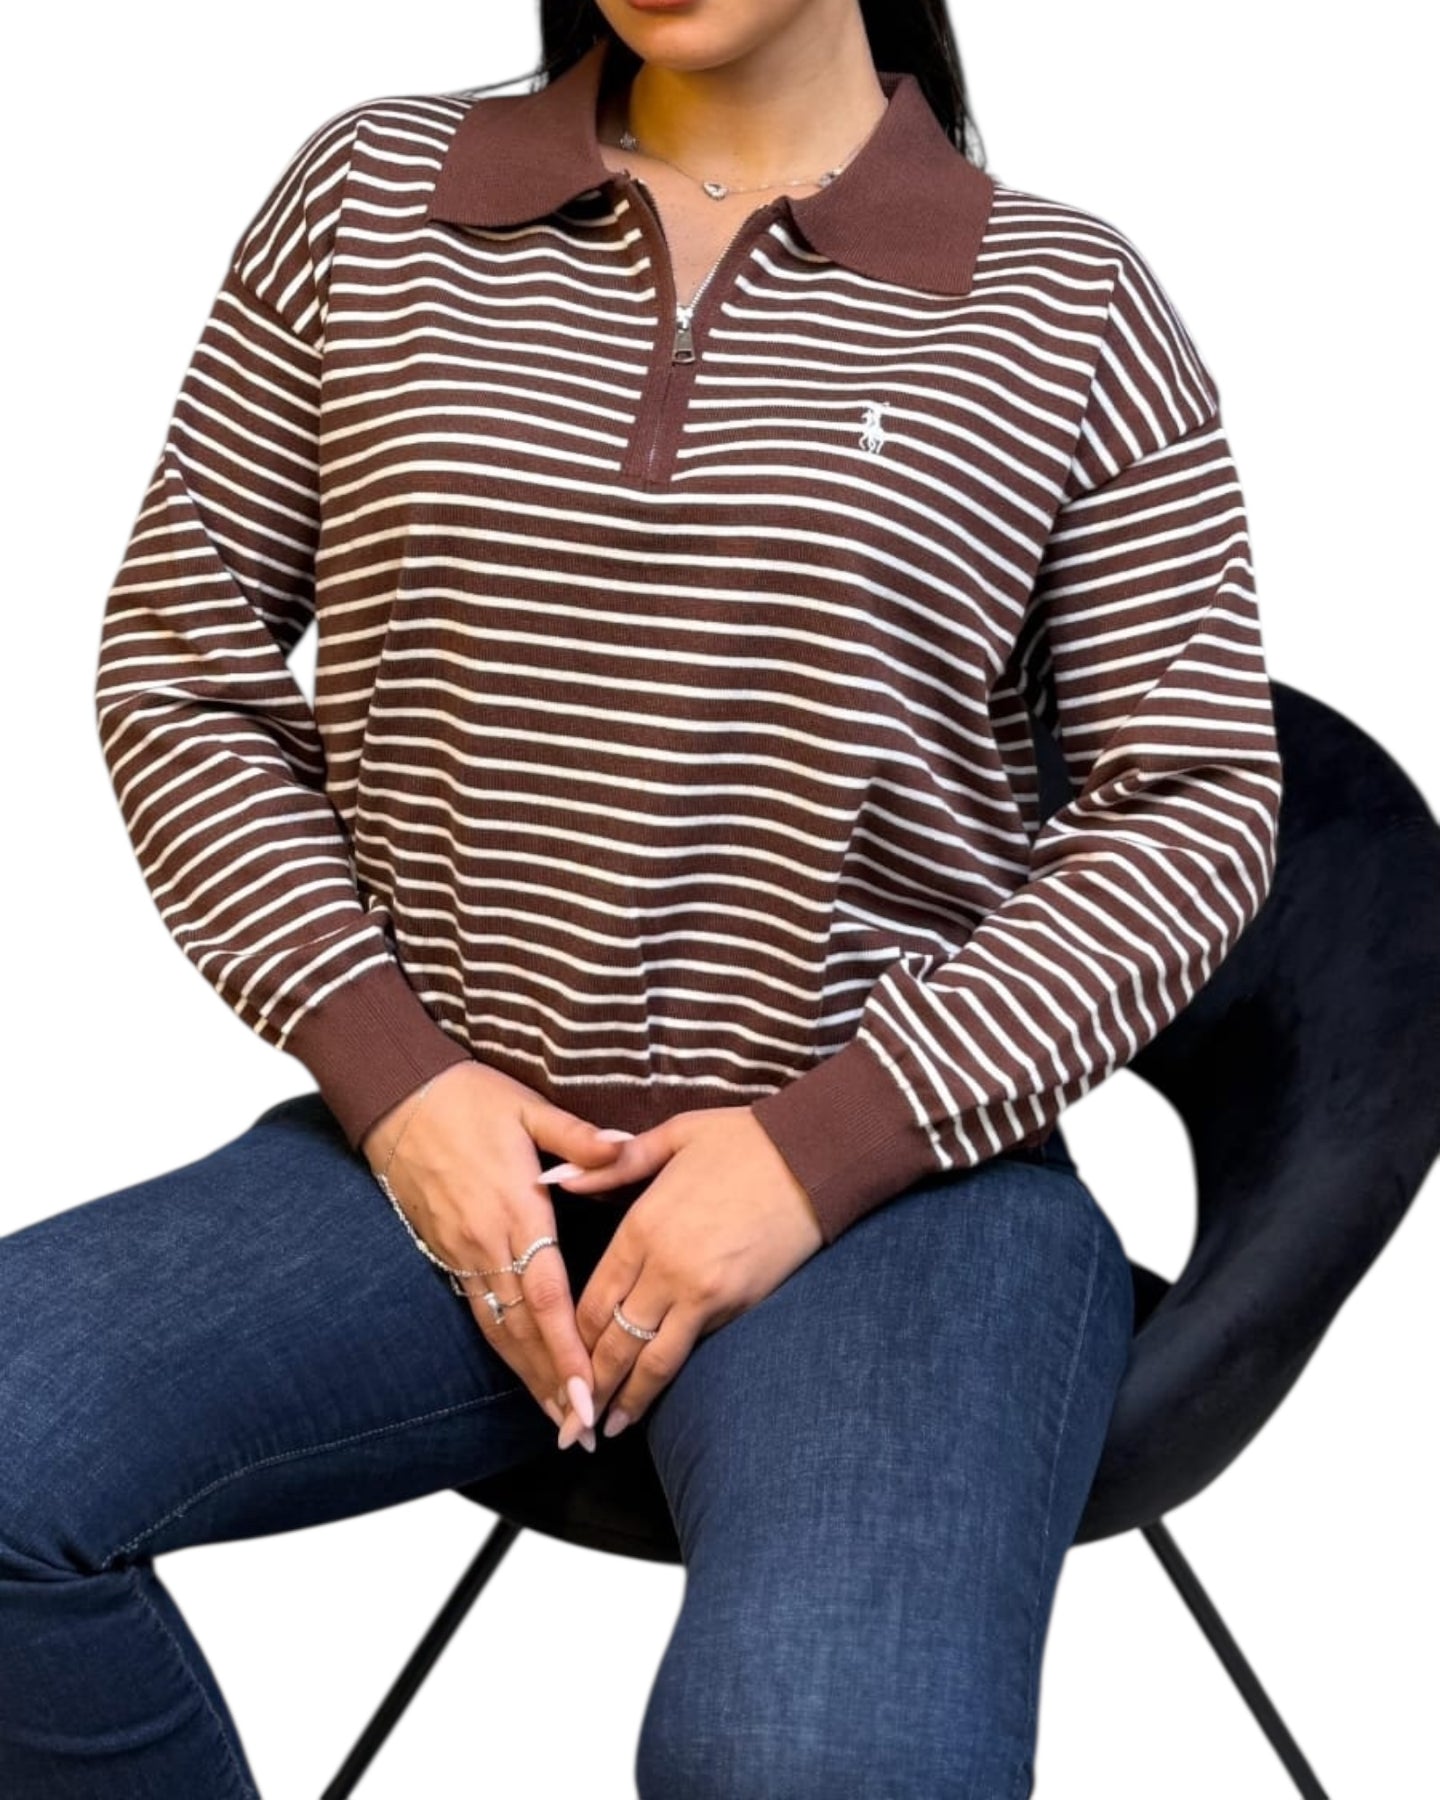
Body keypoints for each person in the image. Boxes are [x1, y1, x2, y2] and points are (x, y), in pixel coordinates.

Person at [0, 0, 1284, 1793]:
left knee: (807, 1760)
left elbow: (1193, 809)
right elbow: (179, 670)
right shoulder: (372, 197)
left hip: (895, 1208)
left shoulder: (1066, 303)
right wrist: (401, 1085)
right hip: (447, 1171)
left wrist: (821, 1148)